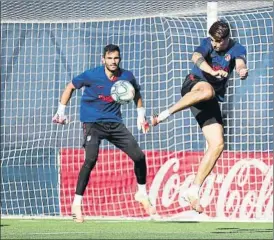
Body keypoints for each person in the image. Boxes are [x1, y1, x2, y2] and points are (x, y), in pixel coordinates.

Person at [151, 20, 248, 213]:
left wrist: (242, 71)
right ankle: (163, 115)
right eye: (212, 40)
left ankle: (194, 190)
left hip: (209, 98)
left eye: (218, 41)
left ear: (226, 39)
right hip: (194, 85)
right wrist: (212, 71)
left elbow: (239, 63)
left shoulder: (237, 48)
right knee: (207, 90)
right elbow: (196, 56)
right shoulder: (207, 43)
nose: (214, 44)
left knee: (218, 143)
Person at [53, 44, 155, 222]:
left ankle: (142, 193)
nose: (113, 61)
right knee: (91, 158)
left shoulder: (126, 76)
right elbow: (70, 87)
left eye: (116, 58)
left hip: (115, 123)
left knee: (139, 156)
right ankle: (76, 204)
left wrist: (141, 116)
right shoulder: (92, 75)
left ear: (120, 59)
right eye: (109, 58)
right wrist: (61, 111)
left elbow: (136, 93)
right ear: (103, 59)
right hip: (92, 123)